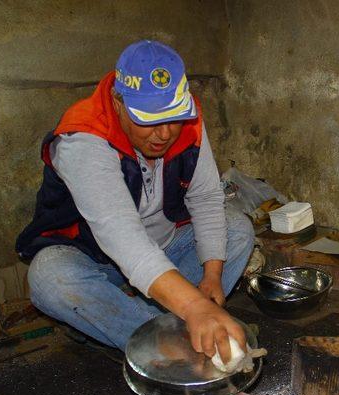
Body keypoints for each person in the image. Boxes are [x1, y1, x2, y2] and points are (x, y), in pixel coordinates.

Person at [15, 40, 254, 363]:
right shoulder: (83, 136)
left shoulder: (188, 120)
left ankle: (140, 322)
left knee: (237, 228)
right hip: (96, 257)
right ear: (117, 101)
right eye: (150, 120)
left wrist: (211, 274)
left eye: (174, 118)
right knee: (49, 278)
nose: (165, 133)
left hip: (165, 246)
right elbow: (121, 237)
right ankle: (164, 338)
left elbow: (206, 197)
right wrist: (196, 306)